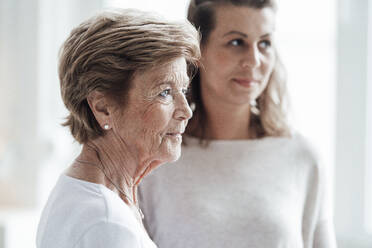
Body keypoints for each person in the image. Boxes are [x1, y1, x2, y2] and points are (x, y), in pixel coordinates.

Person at [139, 0, 337, 247]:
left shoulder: (302, 157)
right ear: (198, 51)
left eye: (264, 43)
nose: (254, 60)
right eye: (236, 42)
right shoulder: (155, 161)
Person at [36, 8, 200, 248]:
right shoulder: (107, 224)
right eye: (164, 92)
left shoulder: (88, 194)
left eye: (183, 91)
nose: (186, 111)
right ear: (103, 107)